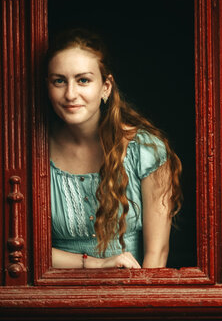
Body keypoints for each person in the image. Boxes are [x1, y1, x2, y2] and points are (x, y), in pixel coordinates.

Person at [45, 28, 182, 269]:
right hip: (52, 297)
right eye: (59, 81)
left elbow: (156, 254)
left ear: (106, 87)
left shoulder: (146, 150)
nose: (70, 94)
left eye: (83, 80)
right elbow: (18, 252)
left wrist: (136, 302)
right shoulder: (31, 153)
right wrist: (95, 264)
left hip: (130, 296)